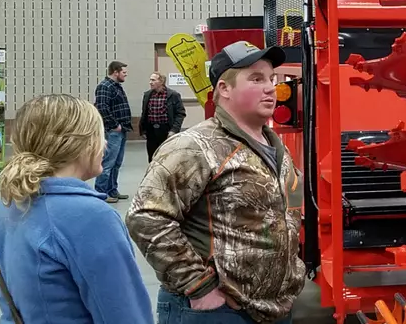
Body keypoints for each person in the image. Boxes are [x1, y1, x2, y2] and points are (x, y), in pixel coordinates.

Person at [127, 41, 304, 324]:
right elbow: (146, 217)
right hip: (216, 311)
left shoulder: (275, 147)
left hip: (273, 307)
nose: (271, 87)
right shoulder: (194, 146)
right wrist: (199, 287)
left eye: (272, 78)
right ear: (224, 89)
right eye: (256, 79)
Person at [0, 94, 153, 324]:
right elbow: (125, 314)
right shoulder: (91, 218)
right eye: (98, 135)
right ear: (79, 144)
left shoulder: (5, 208)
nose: (103, 144)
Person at [94, 60, 132, 203]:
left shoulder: (116, 86)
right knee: (108, 163)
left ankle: (112, 190)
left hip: (121, 131)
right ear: (115, 72)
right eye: (123, 72)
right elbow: (102, 107)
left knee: (116, 163)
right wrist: (114, 125)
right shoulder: (104, 86)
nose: (125, 75)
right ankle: (101, 193)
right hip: (113, 131)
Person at [139, 72, 187, 162]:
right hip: (151, 131)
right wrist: (143, 130)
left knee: (167, 158)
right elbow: (144, 113)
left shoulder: (173, 95)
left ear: (161, 82)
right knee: (152, 158)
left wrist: (174, 130)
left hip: (166, 131)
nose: (150, 82)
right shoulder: (147, 95)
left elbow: (180, 113)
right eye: (150, 80)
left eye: (153, 80)